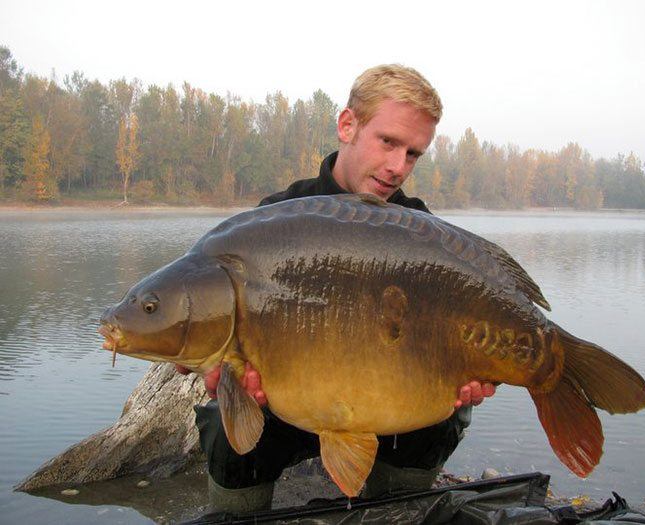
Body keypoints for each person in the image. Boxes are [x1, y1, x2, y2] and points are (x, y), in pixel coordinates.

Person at [177, 64, 496, 513]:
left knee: (447, 412)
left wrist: (473, 371)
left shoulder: (420, 233)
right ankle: (238, 512)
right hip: (288, 408)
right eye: (388, 142)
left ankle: (395, 511)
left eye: (413, 154)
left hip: (387, 406)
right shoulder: (274, 220)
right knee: (222, 425)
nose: (397, 167)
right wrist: (214, 369)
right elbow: (198, 342)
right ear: (348, 125)